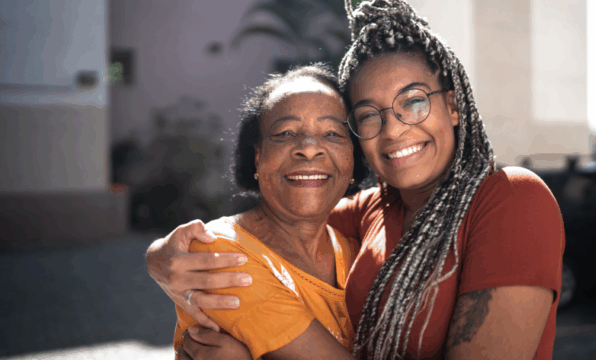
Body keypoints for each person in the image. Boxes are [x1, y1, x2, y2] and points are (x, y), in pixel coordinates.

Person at [146, 1, 565, 359]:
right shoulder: (374, 211)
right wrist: (163, 258)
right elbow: (286, 218)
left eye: (413, 102)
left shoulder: (511, 198)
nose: (395, 129)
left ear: (454, 107)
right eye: (368, 114)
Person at [170, 64, 373, 360]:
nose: (309, 148)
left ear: (353, 160)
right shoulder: (218, 254)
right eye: (285, 132)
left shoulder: (358, 253)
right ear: (257, 157)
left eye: (332, 133)